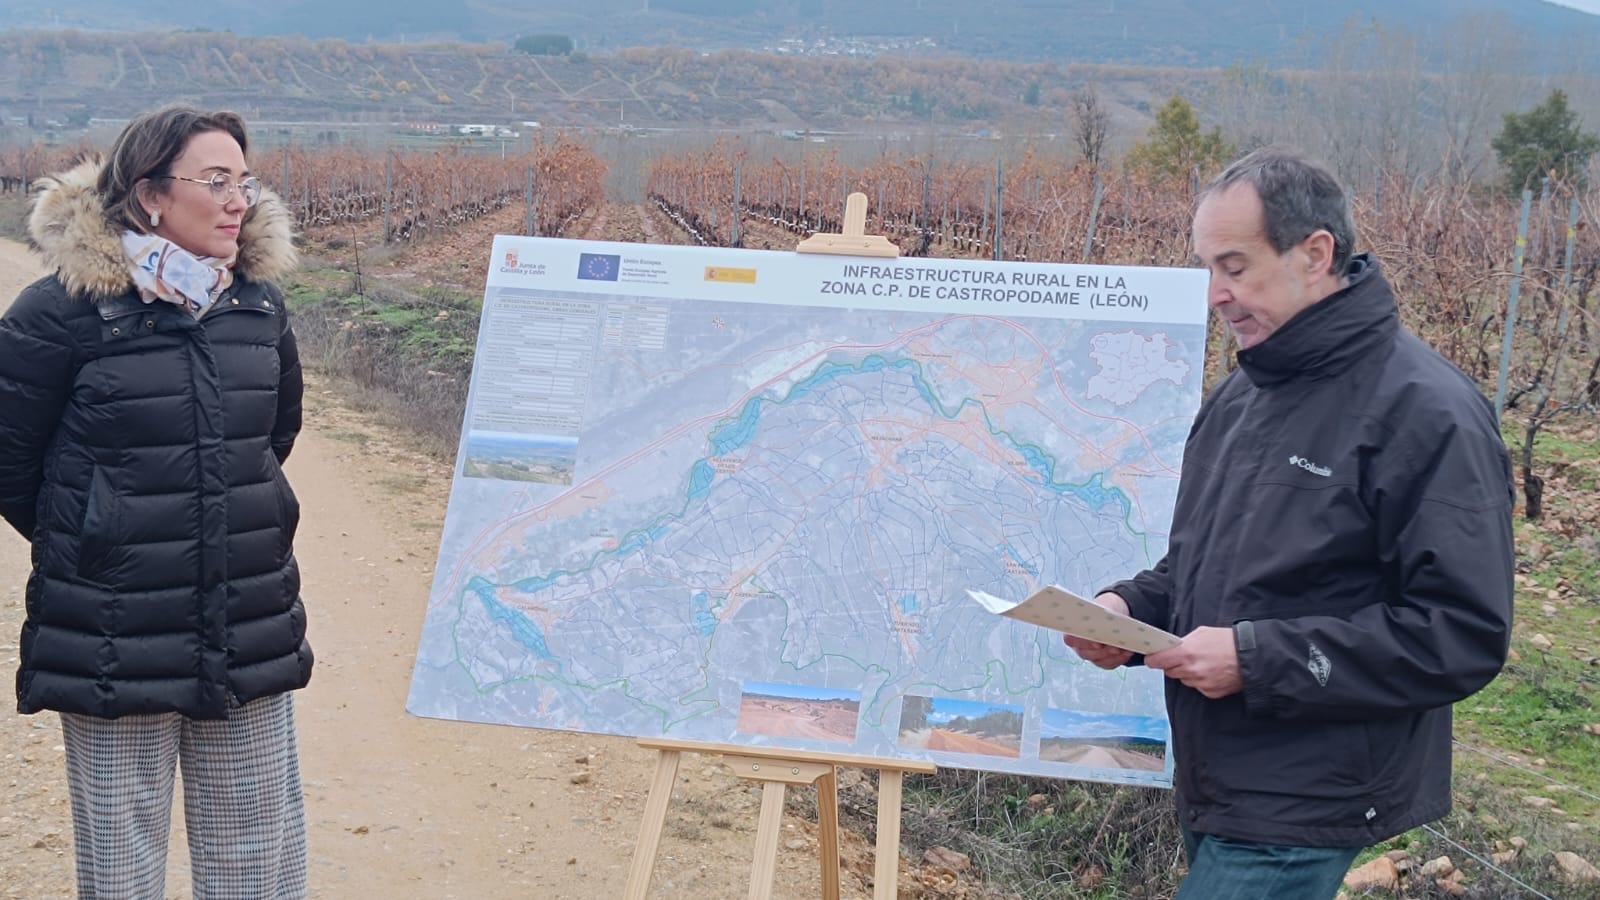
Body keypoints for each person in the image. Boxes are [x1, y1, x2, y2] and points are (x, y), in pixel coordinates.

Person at [1064, 147, 1514, 899]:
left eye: (1235, 267)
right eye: (1208, 268)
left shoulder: (1426, 414)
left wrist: (1255, 658)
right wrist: (1127, 610)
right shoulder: (1240, 398)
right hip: (1222, 775)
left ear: (1315, 254)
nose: (1215, 294)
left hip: (1311, 794)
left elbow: (1459, 633)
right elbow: (1201, 568)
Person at [0, 106, 312, 898]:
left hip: (247, 623)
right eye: (216, 181)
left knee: (254, 860)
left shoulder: (258, 309)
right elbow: (11, 461)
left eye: (243, 180)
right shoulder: (61, 311)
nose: (239, 199)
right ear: (149, 196)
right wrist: (102, 538)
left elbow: (270, 441)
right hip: (114, 630)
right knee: (122, 870)